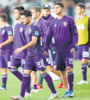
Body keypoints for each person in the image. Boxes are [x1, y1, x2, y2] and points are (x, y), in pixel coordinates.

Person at [10, 10, 58, 100]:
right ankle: (21, 95)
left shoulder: (35, 27)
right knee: (25, 75)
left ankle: (54, 93)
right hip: (29, 56)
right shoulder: (26, 28)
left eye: (24, 18)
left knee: (43, 73)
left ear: (29, 18)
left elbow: (34, 41)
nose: (22, 20)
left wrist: (22, 48)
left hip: (37, 55)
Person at [44, 1, 78, 97]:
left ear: (62, 9)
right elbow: (48, 36)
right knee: (62, 71)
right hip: (58, 50)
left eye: (57, 7)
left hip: (68, 49)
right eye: (55, 8)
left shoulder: (70, 19)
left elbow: (75, 34)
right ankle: (67, 91)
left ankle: (71, 91)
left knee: (68, 68)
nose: (55, 9)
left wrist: (73, 45)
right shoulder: (52, 22)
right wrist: (45, 48)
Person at [10, 6, 31, 97]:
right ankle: (26, 83)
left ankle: (28, 92)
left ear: (20, 13)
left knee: (25, 72)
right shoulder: (16, 25)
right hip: (15, 53)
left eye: (15, 12)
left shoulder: (26, 25)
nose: (14, 14)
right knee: (13, 70)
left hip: (24, 53)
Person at [76, 3, 90, 85]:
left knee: (84, 61)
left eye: (78, 9)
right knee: (82, 62)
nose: (76, 10)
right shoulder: (76, 21)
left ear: (82, 9)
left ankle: (84, 80)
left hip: (86, 43)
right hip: (79, 43)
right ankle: (84, 80)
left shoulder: (88, 19)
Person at [0, 13, 13, 90]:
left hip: (8, 52)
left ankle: (24, 82)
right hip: (2, 52)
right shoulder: (1, 28)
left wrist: (2, 44)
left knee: (11, 69)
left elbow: (11, 39)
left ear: (1, 20)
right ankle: (4, 86)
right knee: (3, 69)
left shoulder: (8, 27)